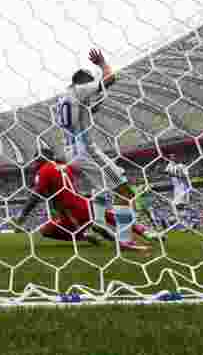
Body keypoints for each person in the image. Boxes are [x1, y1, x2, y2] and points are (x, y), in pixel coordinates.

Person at [54, 49, 155, 249]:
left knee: (102, 187)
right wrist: (102, 63)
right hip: (86, 150)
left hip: (71, 152)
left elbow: (82, 112)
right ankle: (125, 240)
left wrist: (93, 107)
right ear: (83, 81)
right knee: (124, 189)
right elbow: (110, 78)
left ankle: (98, 222)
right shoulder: (80, 90)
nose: (93, 87)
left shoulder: (64, 97)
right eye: (90, 82)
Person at [10, 142, 121, 247]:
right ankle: (125, 228)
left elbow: (36, 196)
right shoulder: (64, 166)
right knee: (103, 215)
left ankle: (86, 234)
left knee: (46, 231)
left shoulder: (44, 170)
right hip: (82, 205)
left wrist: (22, 215)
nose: (35, 163)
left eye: (36, 160)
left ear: (39, 159)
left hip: (70, 211)